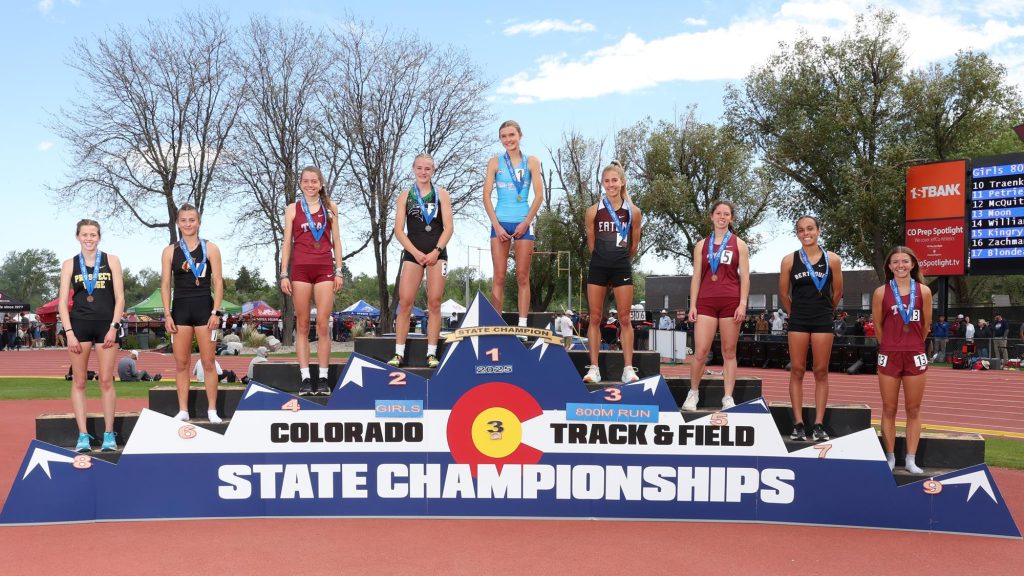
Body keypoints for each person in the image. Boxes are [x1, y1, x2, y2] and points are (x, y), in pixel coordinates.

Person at [58, 219, 125, 452]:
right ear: (77, 236)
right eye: (85, 234)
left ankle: (109, 434)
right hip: (79, 328)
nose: (89, 238)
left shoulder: (112, 261)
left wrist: (114, 327)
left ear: (99, 237)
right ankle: (83, 435)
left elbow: (120, 298)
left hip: (107, 327)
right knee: (79, 381)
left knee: (106, 381)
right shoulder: (69, 265)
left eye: (93, 234)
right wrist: (69, 333)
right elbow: (62, 304)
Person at [777, 216, 844, 441]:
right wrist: (793, 313)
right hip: (799, 320)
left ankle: (818, 425)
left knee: (820, 371)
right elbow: (783, 294)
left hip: (822, 319)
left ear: (818, 230)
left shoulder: (833, 259)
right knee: (797, 369)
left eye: (810, 229)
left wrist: (826, 311)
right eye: (801, 230)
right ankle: (798, 424)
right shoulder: (789, 260)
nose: (806, 233)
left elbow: (837, 293)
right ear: (797, 233)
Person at [280, 166, 344, 395]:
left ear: (321, 184)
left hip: (324, 268)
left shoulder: (330, 207)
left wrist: (339, 270)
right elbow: (287, 243)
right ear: (300, 184)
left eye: (314, 181)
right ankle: (306, 377)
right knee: (303, 324)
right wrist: (283, 273)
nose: (310, 185)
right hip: (300, 271)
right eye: (305, 181)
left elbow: (337, 241)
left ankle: (324, 378)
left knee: (324, 324)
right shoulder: (292, 209)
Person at [388, 153, 454, 369]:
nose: (423, 172)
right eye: (419, 168)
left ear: (433, 170)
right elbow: (398, 230)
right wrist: (415, 252)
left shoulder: (442, 194)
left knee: (434, 302)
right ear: (413, 169)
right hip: (413, 253)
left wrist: (436, 250)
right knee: (405, 302)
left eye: (427, 168)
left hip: (437, 254)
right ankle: (398, 353)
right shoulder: (405, 196)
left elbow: (449, 228)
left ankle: (432, 353)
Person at [683, 201, 750, 411]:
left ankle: (728, 397)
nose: (722, 217)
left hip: (731, 301)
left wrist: (743, 303)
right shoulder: (701, 245)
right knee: (700, 351)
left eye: (726, 214)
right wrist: (692, 304)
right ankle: (692, 393)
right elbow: (695, 277)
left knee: (729, 352)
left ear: (731, 218)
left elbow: (745, 278)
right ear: (711, 216)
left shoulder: (740, 244)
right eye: (718, 213)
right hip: (706, 302)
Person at [161, 204, 226, 422]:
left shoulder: (211, 248)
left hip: (205, 310)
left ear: (199, 222)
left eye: (192, 220)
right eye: (184, 220)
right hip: (180, 311)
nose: (188, 224)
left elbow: (218, 281)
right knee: (181, 363)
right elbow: (165, 284)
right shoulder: (170, 251)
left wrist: (216, 311)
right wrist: (167, 315)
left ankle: (212, 411)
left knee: (209, 362)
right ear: (178, 223)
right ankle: (183, 410)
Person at [871, 246, 932, 474]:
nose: (900, 265)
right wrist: (890, 345)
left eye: (904, 261)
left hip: (915, 354)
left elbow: (925, 326)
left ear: (913, 264)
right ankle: (889, 456)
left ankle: (910, 459)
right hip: (889, 354)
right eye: (895, 262)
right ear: (889, 266)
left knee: (913, 409)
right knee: (889, 408)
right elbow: (877, 326)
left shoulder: (924, 291)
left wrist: (912, 344)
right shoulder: (881, 292)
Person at [581, 162, 643, 383]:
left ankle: (628, 368)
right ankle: (594, 368)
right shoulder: (592, 211)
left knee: (625, 319)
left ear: (622, 182)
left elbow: (633, 245)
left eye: (614, 180)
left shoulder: (633, 212)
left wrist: (618, 259)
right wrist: (602, 259)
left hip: (621, 267)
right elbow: (591, 241)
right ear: (602, 183)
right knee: (595, 318)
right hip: (598, 266)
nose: (611, 184)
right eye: (606, 181)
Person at [483, 120, 544, 327]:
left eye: (511, 135)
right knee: (498, 276)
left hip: (523, 224)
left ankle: (523, 325)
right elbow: (486, 196)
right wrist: (497, 226)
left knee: (522, 276)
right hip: (500, 223)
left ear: (520, 135)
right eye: (504, 136)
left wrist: (526, 223)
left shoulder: (532, 162)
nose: (508, 139)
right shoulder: (494, 162)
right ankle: (496, 323)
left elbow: (539, 196)